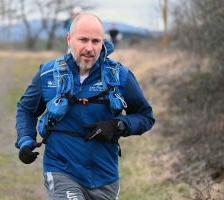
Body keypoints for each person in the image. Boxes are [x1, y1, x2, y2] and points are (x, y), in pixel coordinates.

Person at [15, 13, 155, 200]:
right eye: (83, 40)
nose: (89, 48)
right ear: (69, 39)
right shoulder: (48, 74)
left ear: (103, 42)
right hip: (61, 170)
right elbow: (26, 109)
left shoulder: (119, 75)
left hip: (106, 176)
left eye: (96, 41)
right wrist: (25, 139)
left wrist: (118, 125)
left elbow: (145, 117)